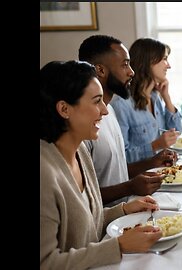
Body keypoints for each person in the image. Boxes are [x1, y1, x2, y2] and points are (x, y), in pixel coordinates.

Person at [40, 60, 163, 269]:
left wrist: (122, 210)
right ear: (64, 109)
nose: (105, 111)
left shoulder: (79, 151)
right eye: (97, 101)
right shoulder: (44, 173)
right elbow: (46, 262)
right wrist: (118, 246)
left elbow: (86, 225)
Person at [79, 35, 177, 206]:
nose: (131, 72)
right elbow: (82, 197)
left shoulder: (108, 110)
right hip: (107, 220)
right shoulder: (83, 124)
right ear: (100, 70)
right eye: (124, 65)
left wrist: (152, 162)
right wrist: (130, 188)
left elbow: (118, 168)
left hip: (128, 207)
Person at [110, 38, 182, 164]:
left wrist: (167, 98)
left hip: (164, 174)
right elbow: (121, 159)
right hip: (141, 180)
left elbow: (177, 134)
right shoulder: (122, 105)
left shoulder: (155, 98)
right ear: (148, 62)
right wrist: (154, 146)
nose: (168, 65)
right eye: (164, 59)